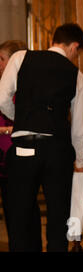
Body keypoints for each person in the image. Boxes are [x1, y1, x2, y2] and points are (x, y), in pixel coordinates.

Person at [0, 24, 83, 252]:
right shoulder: (77, 76)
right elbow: (79, 129)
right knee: (58, 218)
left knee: (19, 219)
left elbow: (1, 98)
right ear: (74, 47)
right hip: (57, 151)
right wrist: (80, 163)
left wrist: (21, 119)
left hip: (23, 150)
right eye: (77, 53)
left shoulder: (21, 57)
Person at [0, 40, 42, 251]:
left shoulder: (22, 86)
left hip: (16, 155)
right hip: (8, 156)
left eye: (2, 59)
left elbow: (25, 122)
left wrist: (8, 129)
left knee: (21, 212)